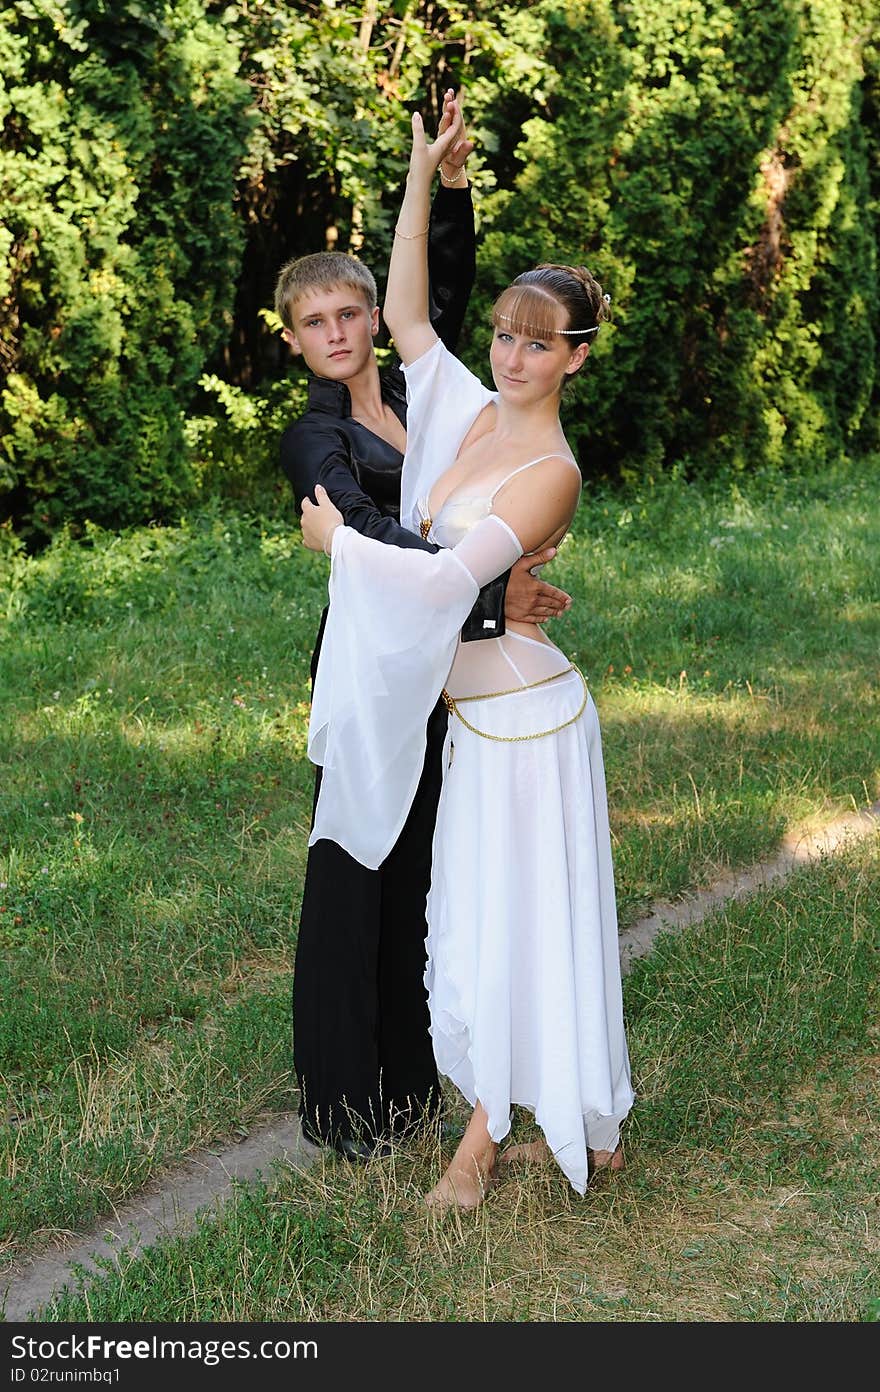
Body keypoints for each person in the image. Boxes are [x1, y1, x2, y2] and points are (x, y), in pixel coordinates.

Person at [300, 105, 634, 1208]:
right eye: (504, 332)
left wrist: (339, 539)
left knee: (515, 923)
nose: (513, 354)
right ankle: (562, 1121)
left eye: (539, 341)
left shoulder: (550, 470)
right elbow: (404, 312)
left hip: (529, 723)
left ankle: (484, 1141)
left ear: (576, 358)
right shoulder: (472, 411)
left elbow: (448, 584)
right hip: (474, 722)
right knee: (473, 923)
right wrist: (419, 179)